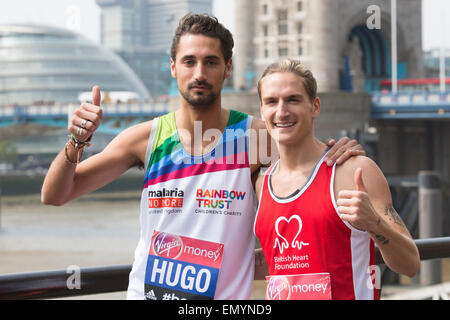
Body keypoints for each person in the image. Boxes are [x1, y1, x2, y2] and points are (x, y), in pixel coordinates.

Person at [41, 14, 365, 300]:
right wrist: (77, 141)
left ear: (227, 69)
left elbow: (314, 163)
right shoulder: (146, 139)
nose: (199, 73)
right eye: (189, 61)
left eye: (211, 62)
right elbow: (56, 195)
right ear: (173, 67)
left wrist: (342, 153)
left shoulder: (256, 138)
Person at [253, 59, 420, 300]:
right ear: (262, 110)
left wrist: (374, 223)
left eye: (293, 99)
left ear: (315, 106)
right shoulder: (261, 183)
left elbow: (410, 264)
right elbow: (282, 265)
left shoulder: (354, 171)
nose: (281, 111)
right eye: (271, 101)